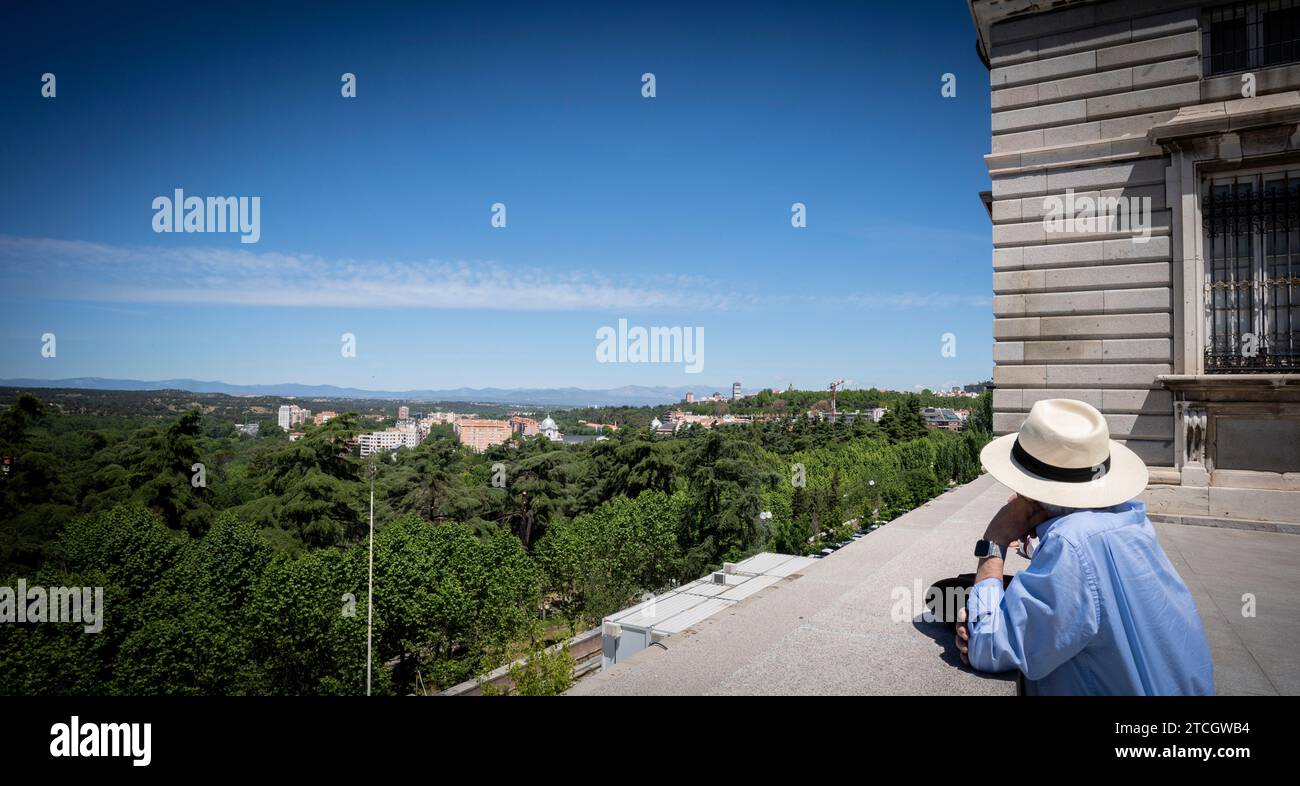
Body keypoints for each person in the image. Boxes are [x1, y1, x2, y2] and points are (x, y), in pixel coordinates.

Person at [953, 398, 1214, 695]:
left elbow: (988, 647)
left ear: (1029, 492)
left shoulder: (1071, 545)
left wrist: (995, 539)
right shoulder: (1130, 520)